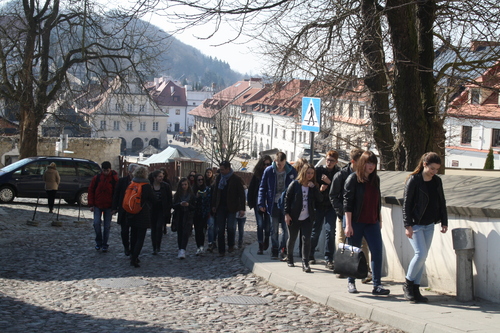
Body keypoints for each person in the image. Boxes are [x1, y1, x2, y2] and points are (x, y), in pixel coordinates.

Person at [402, 152, 448, 303]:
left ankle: (415, 290)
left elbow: (442, 200)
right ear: (424, 164)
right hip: (415, 223)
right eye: (432, 169)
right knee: (420, 254)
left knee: (423, 258)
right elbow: (406, 204)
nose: (434, 172)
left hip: (429, 224)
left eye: (437, 169)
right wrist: (407, 225)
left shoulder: (437, 181)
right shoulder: (414, 180)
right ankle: (408, 284)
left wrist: (444, 221)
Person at [344, 151, 390, 296]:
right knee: (354, 252)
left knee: (377, 252)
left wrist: (379, 219)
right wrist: (348, 225)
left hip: (372, 222)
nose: (371, 166)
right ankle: (351, 281)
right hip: (356, 222)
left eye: (373, 163)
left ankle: (377, 285)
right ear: (362, 163)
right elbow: (348, 203)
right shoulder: (353, 179)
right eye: (368, 163)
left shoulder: (375, 179)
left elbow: (377, 201)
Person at [330, 148, 371, 281]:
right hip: (343, 214)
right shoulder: (341, 175)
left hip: (360, 215)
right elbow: (333, 196)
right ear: (353, 161)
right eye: (361, 162)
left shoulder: (364, 175)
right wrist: (341, 211)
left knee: (363, 242)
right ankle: (342, 266)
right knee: (342, 240)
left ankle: (364, 269)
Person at [258, 152, 297, 259]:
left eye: (281, 163)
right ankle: (274, 248)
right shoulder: (269, 171)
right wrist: (261, 202)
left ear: (285, 161)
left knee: (286, 229)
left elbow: (296, 188)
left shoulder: (291, 171)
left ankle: (283, 248)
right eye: (277, 163)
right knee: (273, 229)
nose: (279, 166)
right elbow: (263, 187)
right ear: (275, 161)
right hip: (273, 204)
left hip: (286, 205)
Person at [284, 164, 323, 272]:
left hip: (307, 217)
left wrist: (314, 188)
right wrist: (286, 214)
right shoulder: (295, 184)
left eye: (311, 173)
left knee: (306, 240)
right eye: (308, 173)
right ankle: (290, 258)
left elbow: (320, 199)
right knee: (292, 238)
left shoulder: (313, 186)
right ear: (303, 173)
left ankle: (305, 263)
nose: (309, 175)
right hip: (294, 216)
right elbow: (287, 199)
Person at [311, 150, 340, 268]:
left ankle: (329, 258)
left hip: (331, 206)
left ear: (336, 162)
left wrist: (330, 182)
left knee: (330, 231)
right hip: (319, 205)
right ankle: (310, 254)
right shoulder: (319, 171)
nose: (329, 162)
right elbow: (311, 185)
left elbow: (340, 189)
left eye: (332, 161)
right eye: (328, 160)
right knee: (315, 230)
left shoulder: (338, 173)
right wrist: (320, 189)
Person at [211, 161, 246, 257]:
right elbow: (215, 192)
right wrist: (213, 205)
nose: (221, 171)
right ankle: (221, 250)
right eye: (220, 169)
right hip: (220, 207)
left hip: (232, 207)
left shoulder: (235, 179)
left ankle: (231, 245)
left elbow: (241, 195)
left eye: (222, 169)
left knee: (231, 227)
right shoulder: (219, 178)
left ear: (228, 169)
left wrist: (242, 208)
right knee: (220, 229)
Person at [126, 166, 155, 267]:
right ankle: (134, 258)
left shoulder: (132, 183)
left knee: (133, 235)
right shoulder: (146, 185)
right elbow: (152, 198)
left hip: (131, 212)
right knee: (140, 237)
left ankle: (132, 255)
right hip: (142, 213)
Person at [88, 161, 118, 252]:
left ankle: (104, 243)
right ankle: (99, 242)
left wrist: (115, 207)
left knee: (107, 226)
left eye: (107, 170)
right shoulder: (96, 178)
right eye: (104, 170)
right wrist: (91, 204)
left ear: (110, 169)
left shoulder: (114, 179)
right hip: (98, 204)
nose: (106, 172)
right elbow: (91, 191)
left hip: (109, 206)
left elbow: (116, 194)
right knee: (96, 223)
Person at [248, 155, 272, 254]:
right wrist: (251, 203)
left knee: (267, 226)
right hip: (258, 203)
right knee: (260, 224)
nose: (266, 166)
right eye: (265, 164)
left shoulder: (272, 174)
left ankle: (266, 238)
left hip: (268, 203)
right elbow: (251, 189)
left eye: (269, 164)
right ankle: (260, 245)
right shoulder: (257, 175)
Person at [112, 163, 138, 256]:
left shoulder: (139, 182)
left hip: (135, 210)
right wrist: (114, 208)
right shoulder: (122, 181)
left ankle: (133, 247)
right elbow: (117, 194)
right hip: (124, 209)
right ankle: (126, 247)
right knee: (124, 231)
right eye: (133, 170)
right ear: (129, 171)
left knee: (134, 231)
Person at [150, 170, 173, 255]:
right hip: (152, 210)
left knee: (159, 227)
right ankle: (154, 246)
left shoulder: (165, 186)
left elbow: (169, 198)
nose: (161, 178)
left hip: (162, 210)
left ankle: (158, 246)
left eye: (162, 176)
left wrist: (168, 209)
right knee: (153, 229)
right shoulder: (150, 186)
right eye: (159, 176)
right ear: (155, 178)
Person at [172, 177, 196, 259]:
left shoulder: (191, 195)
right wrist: (180, 204)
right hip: (179, 215)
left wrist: (188, 205)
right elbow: (173, 205)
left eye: (185, 184)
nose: (184, 186)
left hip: (188, 215)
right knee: (180, 233)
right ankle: (180, 248)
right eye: (182, 185)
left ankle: (183, 249)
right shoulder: (177, 195)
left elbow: (194, 207)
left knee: (186, 232)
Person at [193, 174, 211, 255]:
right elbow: (191, 200)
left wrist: (205, 196)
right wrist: (196, 197)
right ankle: (198, 246)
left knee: (202, 229)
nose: (200, 181)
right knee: (197, 230)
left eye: (202, 179)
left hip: (204, 212)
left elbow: (209, 200)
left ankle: (201, 246)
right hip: (195, 212)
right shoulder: (193, 189)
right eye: (199, 180)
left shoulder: (207, 189)